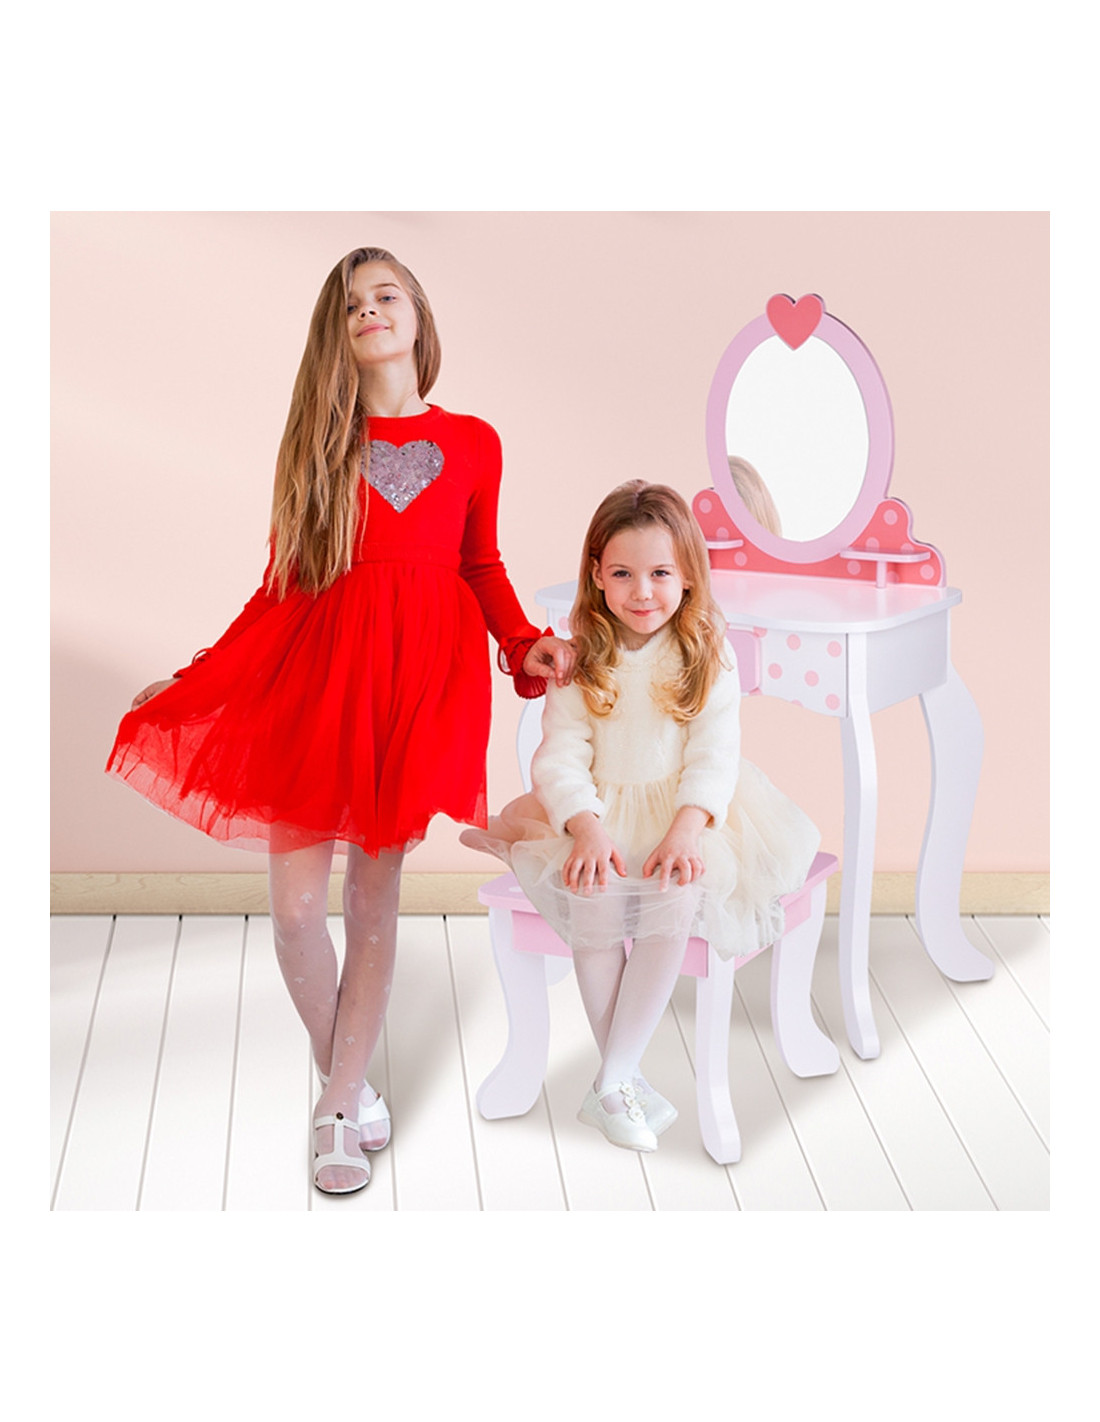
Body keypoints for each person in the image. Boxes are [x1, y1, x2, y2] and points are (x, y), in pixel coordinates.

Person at [107, 247, 574, 1194]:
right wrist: (200, 675)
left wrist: (522, 642)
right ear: (338, 331)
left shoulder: (474, 441)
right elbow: (281, 581)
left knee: (370, 901)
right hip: (319, 684)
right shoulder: (318, 443)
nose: (370, 311)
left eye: (386, 295)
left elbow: (478, 563)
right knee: (293, 916)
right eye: (352, 304)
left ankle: (333, 1113)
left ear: (418, 314)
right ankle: (349, 1083)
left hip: (418, 681)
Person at [461, 480, 818, 1152]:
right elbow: (561, 756)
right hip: (599, 815)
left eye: (659, 574)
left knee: (674, 896)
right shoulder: (579, 659)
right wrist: (585, 826)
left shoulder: (706, 655)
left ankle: (612, 1079)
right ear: (597, 575)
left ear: (688, 577)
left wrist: (687, 829)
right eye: (622, 574)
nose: (642, 592)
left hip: (686, 815)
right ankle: (619, 1083)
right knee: (593, 898)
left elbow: (714, 754)